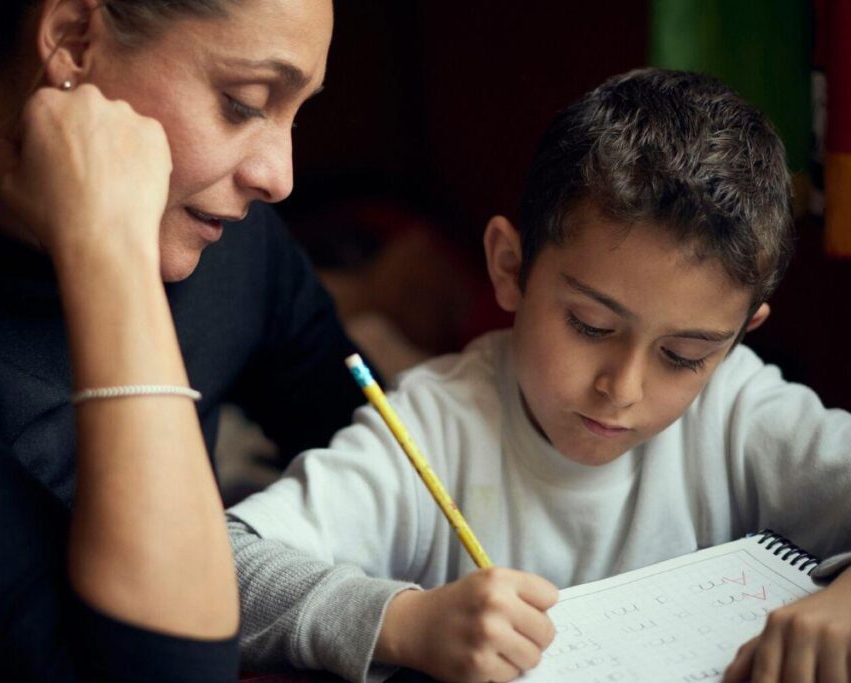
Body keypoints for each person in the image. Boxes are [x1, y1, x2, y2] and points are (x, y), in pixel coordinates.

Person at [227, 68, 851, 683]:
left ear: (740, 334)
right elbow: (223, 564)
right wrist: (402, 620)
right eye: (590, 324)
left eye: (684, 355)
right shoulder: (433, 428)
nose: (623, 389)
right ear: (509, 266)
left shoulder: (738, 407)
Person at [0, 0, 368, 680]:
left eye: (298, 112)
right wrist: (108, 249)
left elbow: (382, 462)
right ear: (73, 42)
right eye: (244, 102)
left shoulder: (222, 237)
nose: (280, 177)